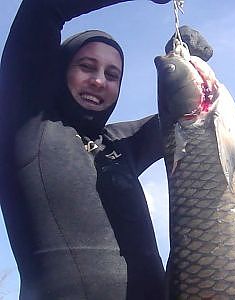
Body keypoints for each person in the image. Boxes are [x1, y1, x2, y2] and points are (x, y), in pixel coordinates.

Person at [0, 0, 171, 299]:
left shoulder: (119, 146)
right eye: (86, 66)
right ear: (59, 70)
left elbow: (188, 115)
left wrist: (188, 66)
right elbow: (42, 7)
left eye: (112, 74)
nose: (98, 80)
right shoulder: (26, 127)